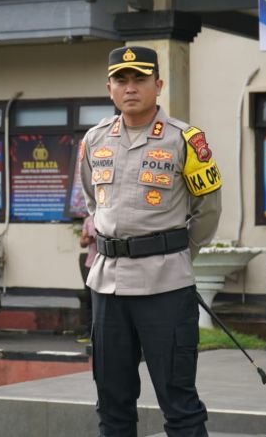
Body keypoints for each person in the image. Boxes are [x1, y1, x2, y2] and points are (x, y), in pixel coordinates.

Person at [81, 46, 222, 437]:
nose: (130, 88)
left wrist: (174, 251)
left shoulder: (186, 140)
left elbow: (207, 211)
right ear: (109, 87)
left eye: (140, 79)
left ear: (158, 85)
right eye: (121, 80)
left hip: (165, 284)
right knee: (112, 401)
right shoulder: (94, 140)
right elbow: (95, 204)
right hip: (107, 285)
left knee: (178, 401)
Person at [76, 214, 96, 343]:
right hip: (90, 265)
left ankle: (100, 333)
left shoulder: (107, 217)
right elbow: (82, 242)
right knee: (89, 300)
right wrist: (88, 239)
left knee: (103, 301)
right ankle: (89, 332)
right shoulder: (89, 220)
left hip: (105, 265)